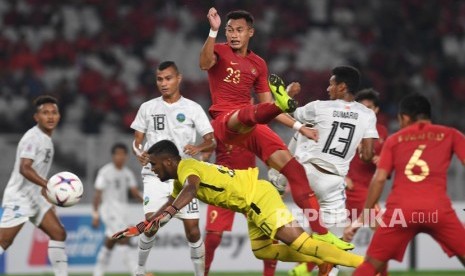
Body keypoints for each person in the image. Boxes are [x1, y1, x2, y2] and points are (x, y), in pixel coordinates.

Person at [199, 7, 352, 249]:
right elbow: (204, 63)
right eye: (229, 30)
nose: (234, 35)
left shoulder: (258, 64)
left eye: (239, 30)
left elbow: (265, 106)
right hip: (225, 120)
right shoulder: (219, 51)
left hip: (251, 124)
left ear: (251, 32)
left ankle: (321, 233)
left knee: (295, 171)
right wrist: (213, 30)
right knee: (246, 113)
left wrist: (300, 126)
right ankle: (284, 101)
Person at [112, 140, 365, 271]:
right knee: (263, 250)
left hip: (257, 197)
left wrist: (165, 215)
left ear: (168, 161)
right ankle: (323, 262)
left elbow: (190, 189)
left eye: (154, 165)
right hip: (250, 202)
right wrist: (143, 224)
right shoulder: (180, 176)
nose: (152, 170)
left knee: (301, 243)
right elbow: (173, 199)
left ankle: (365, 267)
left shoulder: (187, 168)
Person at [272, 66, 379, 276]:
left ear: (342, 87)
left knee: (303, 129)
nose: (328, 88)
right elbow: (367, 155)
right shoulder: (367, 115)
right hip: (333, 182)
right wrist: (358, 147)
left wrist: (287, 94)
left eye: (331, 84)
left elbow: (286, 112)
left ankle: (279, 179)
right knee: (335, 248)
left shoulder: (319, 107)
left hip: (306, 171)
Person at [345, 94, 465, 275]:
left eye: (400, 120)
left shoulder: (394, 140)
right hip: (438, 210)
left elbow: (378, 179)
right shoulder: (451, 135)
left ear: (405, 117)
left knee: (370, 265)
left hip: (401, 213)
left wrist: (364, 216)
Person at [130, 61, 215, 276]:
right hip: (155, 175)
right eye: (160, 79)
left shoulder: (192, 108)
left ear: (179, 78)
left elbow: (211, 141)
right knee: (151, 223)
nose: (164, 83)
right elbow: (136, 141)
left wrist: (198, 147)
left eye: (168, 78)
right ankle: (139, 271)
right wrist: (139, 153)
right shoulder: (147, 108)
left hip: (183, 176)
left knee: (193, 231)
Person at [0, 95, 68, 276]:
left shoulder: (46, 139)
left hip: (35, 197)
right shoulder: (33, 138)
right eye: (45, 113)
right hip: (20, 197)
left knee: (59, 234)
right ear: (36, 117)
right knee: (4, 242)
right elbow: (25, 168)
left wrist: (45, 193)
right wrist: (48, 185)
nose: (50, 116)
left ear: (59, 116)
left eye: (54, 112)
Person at [204, 140, 278, 276]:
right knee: (213, 237)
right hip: (222, 185)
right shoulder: (216, 125)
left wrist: (278, 180)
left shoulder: (252, 126)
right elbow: (207, 151)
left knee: (270, 233)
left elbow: (266, 155)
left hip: (248, 186)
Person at [92, 143, 144, 276]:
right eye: (117, 154)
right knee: (123, 238)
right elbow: (97, 194)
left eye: (123, 154)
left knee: (110, 242)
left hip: (122, 211)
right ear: (113, 156)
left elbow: (134, 192)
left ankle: (98, 271)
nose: (120, 157)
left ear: (126, 156)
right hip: (109, 210)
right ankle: (136, 272)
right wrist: (96, 215)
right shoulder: (105, 172)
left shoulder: (127, 173)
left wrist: (147, 203)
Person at [345, 88, 388, 221]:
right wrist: (342, 178)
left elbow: (385, 162)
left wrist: (383, 160)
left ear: (376, 110)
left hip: (368, 188)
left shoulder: (382, 131)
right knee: (382, 227)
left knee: (346, 233)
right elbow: (330, 156)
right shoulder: (347, 129)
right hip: (350, 188)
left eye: (369, 108)